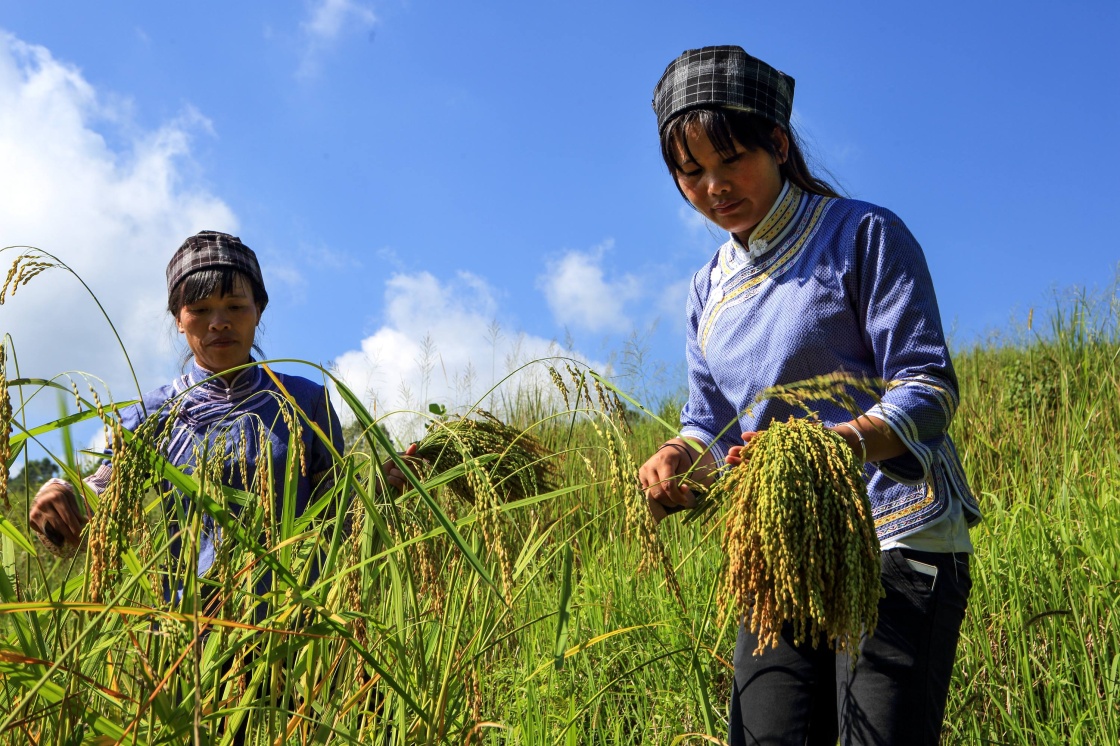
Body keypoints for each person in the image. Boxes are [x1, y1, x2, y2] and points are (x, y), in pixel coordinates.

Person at [638, 46, 981, 745]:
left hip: (894, 533)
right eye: (692, 172)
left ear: (778, 144)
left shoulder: (862, 236)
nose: (714, 187)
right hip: (782, 552)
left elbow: (927, 386)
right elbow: (710, 423)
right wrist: (678, 459)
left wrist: (840, 443)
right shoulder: (708, 289)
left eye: (731, 160)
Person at [28, 230, 413, 582]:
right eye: (199, 309)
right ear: (178, 319)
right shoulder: (157, 412)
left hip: (293, 623)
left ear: (258, 311)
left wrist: (377, 493)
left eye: (235, 306)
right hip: (192, 629)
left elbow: (333, 517)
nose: (219, 323)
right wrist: (61, 497)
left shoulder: (304, 401)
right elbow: (104, 496)